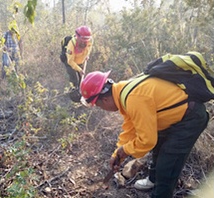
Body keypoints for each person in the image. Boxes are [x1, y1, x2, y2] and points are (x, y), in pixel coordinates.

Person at [80, 70, 209, 198]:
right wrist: (117, 154)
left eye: (99, 106)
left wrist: (126, 150)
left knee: (168, 162)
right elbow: (130, 127)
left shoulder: (134, 98)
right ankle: (153, 180)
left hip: (190, 118)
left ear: (106, 100)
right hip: (174, 117)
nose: (102, 109)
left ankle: (161, 193)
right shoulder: (123, 91)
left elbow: (147, 141)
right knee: (159, 146)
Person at [63, 26, 93, 102]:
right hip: (71, 63)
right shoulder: (71, 44)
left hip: (80, 62)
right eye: (82, 40)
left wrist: (86, 56)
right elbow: (70, 61)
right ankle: (72, 97)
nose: (84, 42)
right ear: (77, 37)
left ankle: (80, 96)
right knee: (74, 80)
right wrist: (79, 69)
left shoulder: (90, 41)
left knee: (81, 80)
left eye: (86, 40)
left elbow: (88, 49)